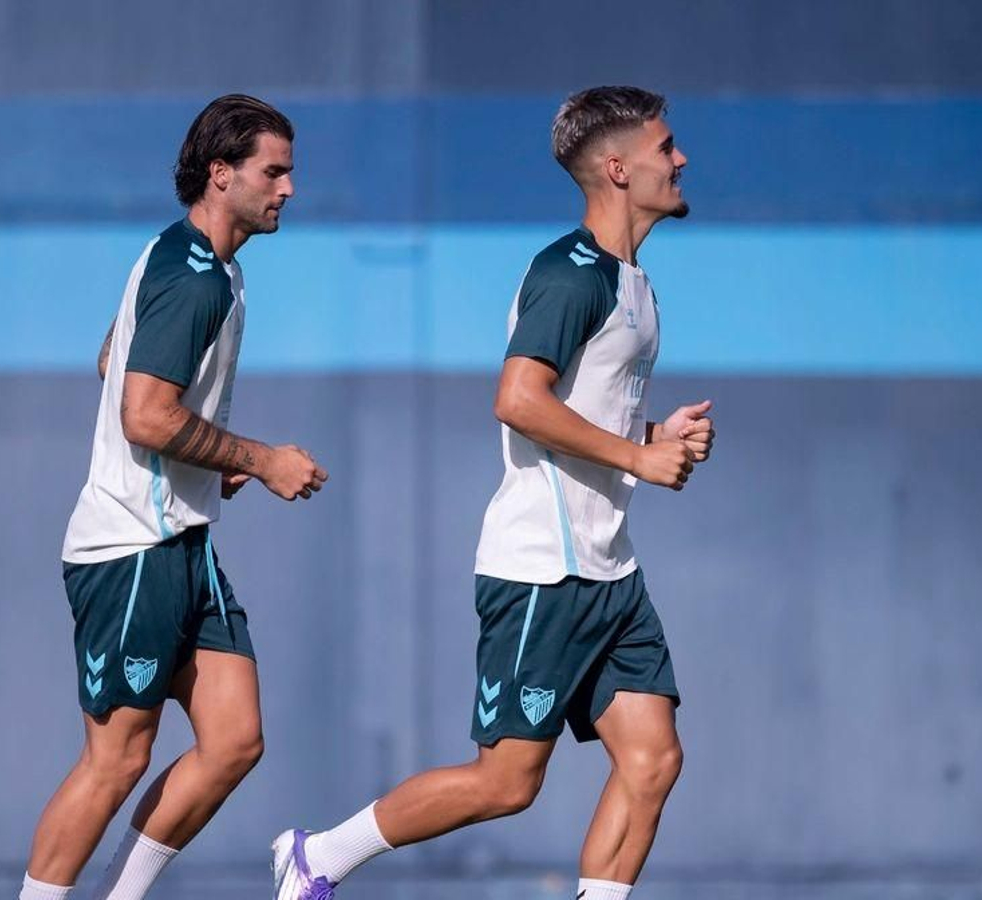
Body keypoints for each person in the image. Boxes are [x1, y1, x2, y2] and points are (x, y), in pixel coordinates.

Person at [272, 85, 715, 900]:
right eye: (665, 146)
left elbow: (580, 416)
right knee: (507, 783)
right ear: (617, 169)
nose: (681, 158)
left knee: (653, 759)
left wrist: (657, 440)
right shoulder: (569, 273)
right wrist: (636, 455)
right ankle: (321, 856)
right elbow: (517, 399)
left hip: (610, 575)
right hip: (542, 571)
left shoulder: (635, 287)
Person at [19, 94, 328, 900]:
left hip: (182, 539)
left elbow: (110, 366)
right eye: (274, 171)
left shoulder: (203, 265)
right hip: (130, 549)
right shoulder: (193, 277)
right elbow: (144, 412)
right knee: (116, 759)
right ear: (220, 175)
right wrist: (257, 458)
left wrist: (202, 459)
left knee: (233, 740)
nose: (288, 188)